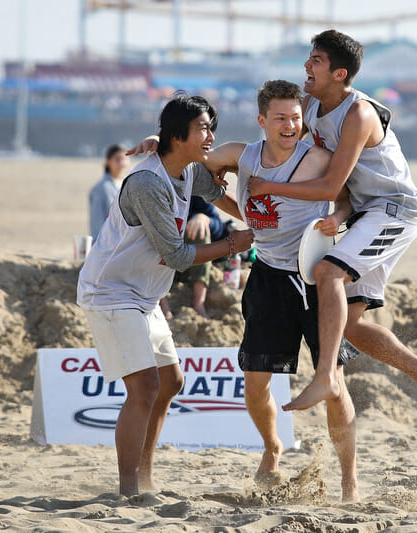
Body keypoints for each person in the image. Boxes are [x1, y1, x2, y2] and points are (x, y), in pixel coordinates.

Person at [130, 80, 359, 502]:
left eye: (295, 118)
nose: (290, 126)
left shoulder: (320, 158)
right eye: (280, 119)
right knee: (254, 385)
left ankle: (349, 481)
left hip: (313, 274)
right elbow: (190, 158)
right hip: (268, 275)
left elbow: (345, 197)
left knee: (335, 382)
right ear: (262, 121)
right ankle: (272, 448)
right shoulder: (242, 154)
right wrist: (157, 142)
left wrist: (338, 218)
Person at [247, 29, 417, 428]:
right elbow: (278, 145)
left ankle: (324, 376)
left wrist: (268, 187)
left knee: (327, 273)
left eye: (316, 60)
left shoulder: (359, 114)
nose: (307, 64)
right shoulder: (309, 105)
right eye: (309, 57)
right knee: (353, 325)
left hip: (393, 210)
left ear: (339, 74)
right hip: (362, 213)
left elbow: (328, 186)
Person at [76, 93, 254, 497]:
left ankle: (144, 475)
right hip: (110, 292)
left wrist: (263, 220)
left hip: (142, 295)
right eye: (203, 128)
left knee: (171, 382)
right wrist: (233, 245)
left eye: (212, 127)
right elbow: (175, 254)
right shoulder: (146, 182)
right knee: (144, 389)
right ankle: (128, 489)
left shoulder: (187, 169)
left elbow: (218, 190)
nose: (212, 135)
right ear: (176, 136)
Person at [159, 195, 234, 319]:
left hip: (190, 260)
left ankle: (199, 304)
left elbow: (220, 230)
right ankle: (162, 303)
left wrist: (205, 219)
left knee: (200, 230)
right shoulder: (154, 187)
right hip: (161, 261)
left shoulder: (195, 189)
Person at [89, 143, 129, 241]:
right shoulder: (100, 188)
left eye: (124, 159)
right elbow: (97, 225)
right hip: (108, 246)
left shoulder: (128, 184)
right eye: (117, 159)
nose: (121, 163)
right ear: (108, 161)